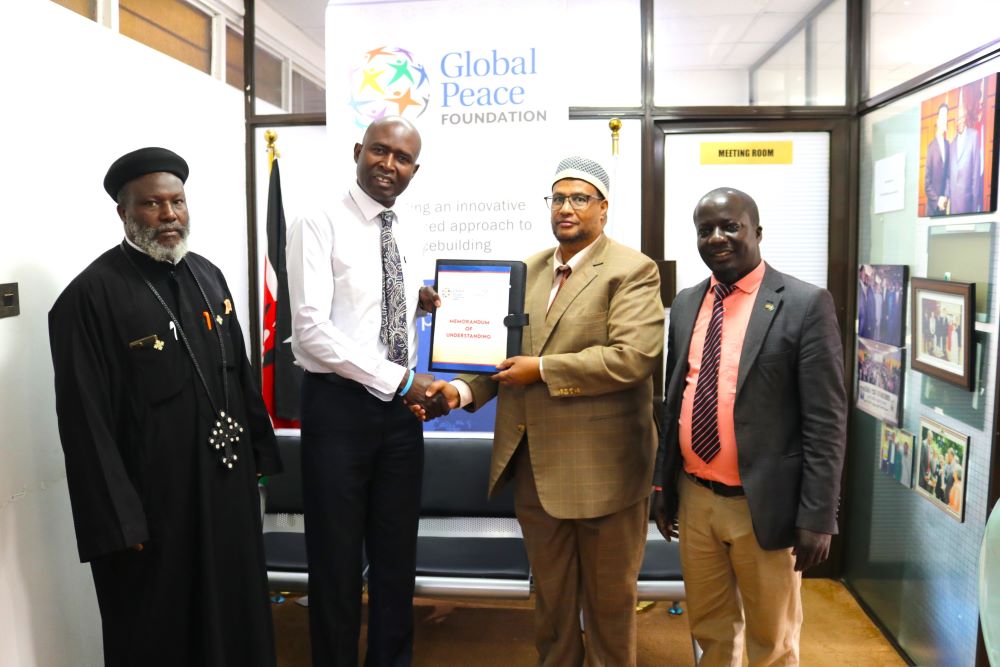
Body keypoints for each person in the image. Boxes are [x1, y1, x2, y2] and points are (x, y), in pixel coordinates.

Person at [418, 156, 664, 666]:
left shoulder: (632, 270)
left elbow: (633, 359)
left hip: (606, 474)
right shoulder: (526, 270)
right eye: (558, 198)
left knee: (608, 609)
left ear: (603, 208)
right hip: (536, 470)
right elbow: (499, 358)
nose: (566, 208)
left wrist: (545, 369)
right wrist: (458, 394)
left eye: (579, 198)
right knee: (550, 606)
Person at [48, 147, 282, 667]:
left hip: (224, 493)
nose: (170, 215)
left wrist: (259, 465)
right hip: (155, 513)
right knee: (160, 633)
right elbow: (84, 423)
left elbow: (240, 377)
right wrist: (120, 522)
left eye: (177, 201)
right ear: (124, 213)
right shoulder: (88, 298)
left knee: (235, 619)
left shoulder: (208, 276)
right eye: (153, 204)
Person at [654, 187, 847, 666]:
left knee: (773, 640)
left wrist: (818, 515)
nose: (716, 237)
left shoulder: (804, 304)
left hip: (765, 503)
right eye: (705, 230)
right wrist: (663, 485)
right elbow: (673, 400)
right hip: (696, 500)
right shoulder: (684, 304)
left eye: (730, 226)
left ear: (757, 232)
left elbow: (826, 421)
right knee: (711, 632)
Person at [285, 116, 445, 667]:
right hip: (338, 410)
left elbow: (373, 303)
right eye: (380, 151)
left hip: (402, 416)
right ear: (358, 151)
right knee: (334, 563)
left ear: (414, 170)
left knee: (398, 559)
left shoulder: (407, 226)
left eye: (402, 158)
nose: (389, 165)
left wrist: (418, 298)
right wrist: (400, 378)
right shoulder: (317, 218)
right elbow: (310, 329)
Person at [945, 100, 983, 214]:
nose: (959, 121)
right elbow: (948, 175)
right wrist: (946, 196)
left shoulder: (973, 136)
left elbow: (976, 171)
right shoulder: (951, 145)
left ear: (965, 118)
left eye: (961, 118)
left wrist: (975, 203)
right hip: (953, 204)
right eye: (957, 119)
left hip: (968, 202)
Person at [925, 102, 950, 216]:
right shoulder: (930, 147)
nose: (944, 120)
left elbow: (949, 175)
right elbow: (927, 183)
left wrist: (945, 196)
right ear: (937, 120)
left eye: (946, 117)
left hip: (944, 208)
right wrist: (937, 200)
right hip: (932, 209)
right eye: (942, 116)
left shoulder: (948, 145)